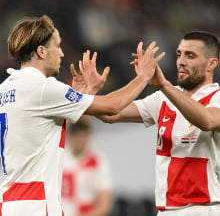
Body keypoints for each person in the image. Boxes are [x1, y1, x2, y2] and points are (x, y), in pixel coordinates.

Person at [0, 15, 164, 216]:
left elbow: (40, 129)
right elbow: (112, 106)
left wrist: (82, 95)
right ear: (41, 51)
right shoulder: (43, 88)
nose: (61, 53)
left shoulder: (5, 89)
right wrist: (143, 77)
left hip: (8, 205)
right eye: (57, 46)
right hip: (38, 205)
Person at [90, 31, 220, 216]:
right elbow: (111, 114)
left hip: (204, 208)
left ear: (211, 64)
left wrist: (164, 85)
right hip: (166, 210)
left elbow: (208, 121)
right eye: (179, 54)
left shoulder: (216, 98)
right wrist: (89, 94)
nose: (181, 61)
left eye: (190, 55)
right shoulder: (163, 99)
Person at [62, 119, 112, 216]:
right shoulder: (59, 158)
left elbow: (105, 203)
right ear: (71, 136)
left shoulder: (97, 161)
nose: (83, 141)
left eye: (85, 136)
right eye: (79, 136)